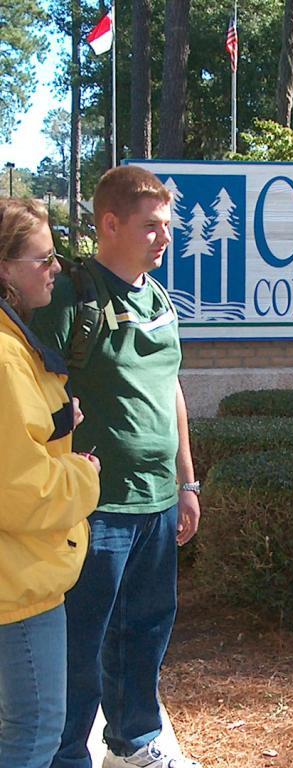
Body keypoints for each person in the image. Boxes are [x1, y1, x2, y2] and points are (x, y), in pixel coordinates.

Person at [31, 166, 201, 768]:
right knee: (81, 644)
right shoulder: (70, 299)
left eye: (167, 225)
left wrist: (187, 482)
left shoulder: (158, 299)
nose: (165, 237)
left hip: (157, 502)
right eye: (151, 226)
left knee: (145, 633)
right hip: (96, 506)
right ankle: (63, 755)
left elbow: (170, 389)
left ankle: (132, 742)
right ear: (109, 225)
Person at [0, 197, 101, 768]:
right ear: (5, 269)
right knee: (34, 733)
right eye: (43, 259)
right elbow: (19, 490)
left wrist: (60, 421)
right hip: (18, 583)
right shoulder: (6, 357)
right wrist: (83, 476)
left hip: (20, 572)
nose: (56, 267)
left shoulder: (13, 347)